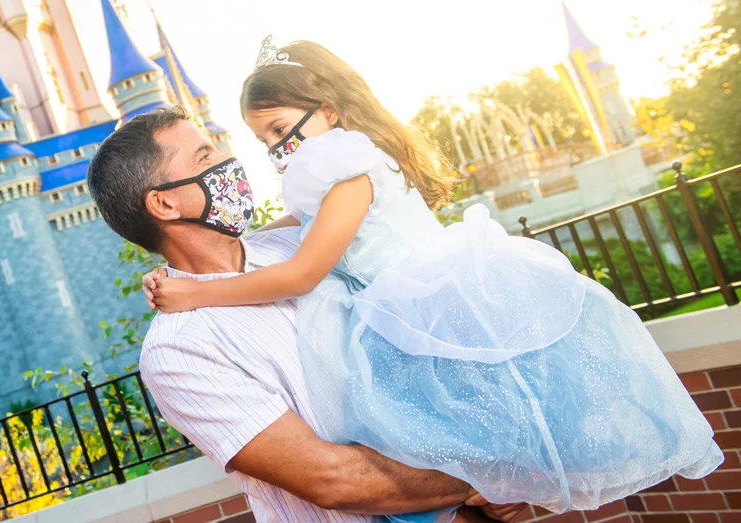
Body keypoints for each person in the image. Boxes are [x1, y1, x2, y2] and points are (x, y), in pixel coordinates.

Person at [146, 37, 723, 521]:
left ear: (327, 109)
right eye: (265, 140)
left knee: (461, 425)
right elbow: (296, 226)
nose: (277, 149)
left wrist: (197, 293)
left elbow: (301, 273)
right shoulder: (340, 173)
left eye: (279, 129)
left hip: (418, 306)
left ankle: (492, 484)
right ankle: (479, 490)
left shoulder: (348, 172)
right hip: (403, 309)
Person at [87, 106, 525, 523]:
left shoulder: (296, 249)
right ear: (164, 205)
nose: (227, 161)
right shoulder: (178, 351)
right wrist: (480, 477)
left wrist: (495, 472)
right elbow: (331, 478)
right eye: (205, 157)